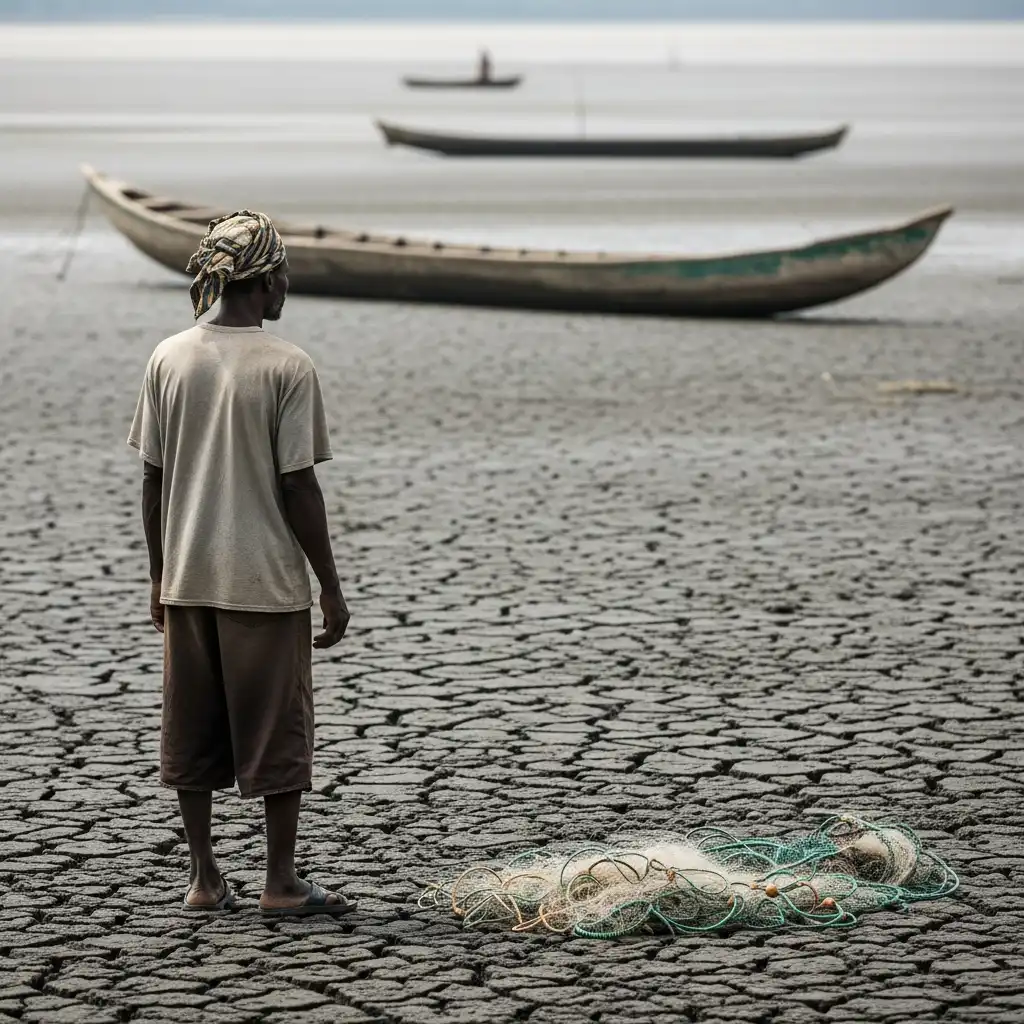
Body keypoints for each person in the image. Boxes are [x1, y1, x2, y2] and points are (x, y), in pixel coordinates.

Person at [128, 210, 354, 917]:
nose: (288, 284)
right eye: (282, 272)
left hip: (190, 579)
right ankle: (281, 883)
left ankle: (203, 879)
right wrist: (331, 587)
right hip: (262, 584)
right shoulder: (286, 364)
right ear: (263, 280)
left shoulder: (170, 356)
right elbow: (297, 484)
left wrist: (159, 578)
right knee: (277, 734)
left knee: (191, 731)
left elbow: (153, 480)